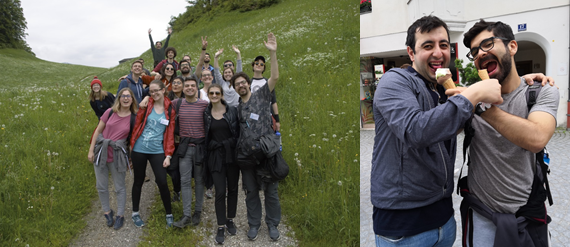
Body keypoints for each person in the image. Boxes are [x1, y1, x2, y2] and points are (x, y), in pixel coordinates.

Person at [370, 15, 554, 247]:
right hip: (404, 227)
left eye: (444, 45)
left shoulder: (449, 92)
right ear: (411, 53)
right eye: (428, 45)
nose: (438, 52)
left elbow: (536, 137)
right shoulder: (394, 81)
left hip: (446, 221)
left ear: (512, 46)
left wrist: (521, 82)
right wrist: (475, 97)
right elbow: (416, 130)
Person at [458, 19, 559, 246]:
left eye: (487, 44)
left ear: (512, 46)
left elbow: (536, 138)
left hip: (527, 217)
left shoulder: (541, 92)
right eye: (474, 52)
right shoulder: (471, 98)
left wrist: (481, 108)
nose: (479, 54)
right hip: (481, 216)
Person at [232, 32, 281, 241]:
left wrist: (273, 54)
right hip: (247, 157)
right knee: (251, 192)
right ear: (235, 89)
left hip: (267, 153)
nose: (241, 85)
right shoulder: (237, 108)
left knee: (270, 192)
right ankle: (254, 224)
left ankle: (272, 224)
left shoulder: (262, 95)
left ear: (249, 84)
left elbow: (275, 77)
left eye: (244, 82)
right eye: (237, 84)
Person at [88, 88, 138, 230]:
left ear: (132, 99)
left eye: (129, 96)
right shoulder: (109, 112)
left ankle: (120, 215)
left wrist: (132, 158)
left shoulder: (134, 117)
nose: (126, 99)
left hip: (118, 156)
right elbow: (98, 131)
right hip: (100, 152)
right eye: (123, 96)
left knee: (119, 187)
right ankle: (107, 212)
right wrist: (91, 150)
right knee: (101, 186)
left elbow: (134, 140)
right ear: (119, 98)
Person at [129, 80, 176, 228]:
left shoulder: (170, 109)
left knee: (162, 181)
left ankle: (169, 214)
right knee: (138, 181)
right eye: (151, 91)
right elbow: (137, 124)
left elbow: (170, 134)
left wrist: (168, 155)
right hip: (139, 149)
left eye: (157, 90)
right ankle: (135, 213)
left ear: (163, 90)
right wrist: (132, 145)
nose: (154, 93)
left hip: (157, 151)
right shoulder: (146, 104)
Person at [203, 84, 240, 244]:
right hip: (215, 156)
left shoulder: (232, 111)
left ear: (222, 94)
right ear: (209, 95)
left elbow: (237, 134)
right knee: (219, 191)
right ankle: (220, 225)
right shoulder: (206, 113)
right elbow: (205, 134)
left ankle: (230, 219)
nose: (214, 95)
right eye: (211, 93)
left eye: (217, 93)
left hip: (231, 154)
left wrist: (227, 142)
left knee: (232, 188)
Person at [171, 76, 210, 228]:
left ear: (197, 88)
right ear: (183, 88)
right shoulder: (177, 103)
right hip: (184, 147)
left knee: (199, 181)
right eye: (186, 86)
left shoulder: (205, 105)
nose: (189, 88)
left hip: (200, 147)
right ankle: (186, 215)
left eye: (192, 86)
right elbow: (160, 105)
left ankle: (198, 212)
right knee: (185, 181)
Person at [250, 55, 280, 131]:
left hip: (267, 117)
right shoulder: (248, 83)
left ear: (264, 68)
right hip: (253, 118)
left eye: (262, 64)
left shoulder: (268, 82)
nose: (259, 65)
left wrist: (277, 120)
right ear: (253, 66)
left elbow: (273, 101)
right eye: (257, 63)